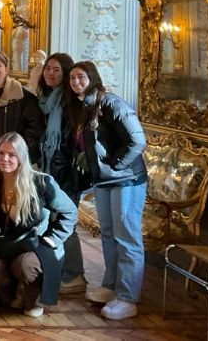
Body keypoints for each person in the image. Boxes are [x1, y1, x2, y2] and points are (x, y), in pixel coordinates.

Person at [60, 61, 147, 320]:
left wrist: (114, 166)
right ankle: (112, 287)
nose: (76, 82)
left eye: (81, 77)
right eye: (72, 78)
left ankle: (128, 298)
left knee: (127, 238)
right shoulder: (85, 107)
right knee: (108, 235)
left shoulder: (111, 103)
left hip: (127, 180)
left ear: (92, 78)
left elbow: (137, 140)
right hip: (104, 181)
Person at [0, 132, 77, 318]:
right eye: (0, 153)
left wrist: (53, 238)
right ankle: (13, 296)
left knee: (25, 265)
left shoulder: (41, 182)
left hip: (37, 246)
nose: (5, 159)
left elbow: (69, 211)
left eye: (11, 154)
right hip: (5, 246)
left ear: (21, 157)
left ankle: (34, 299)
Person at [36, 52, 85, 293]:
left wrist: (61, 176)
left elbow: (69, 144)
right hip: (51, 169)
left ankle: (74, 275)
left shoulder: (68, 103)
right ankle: (58, 268)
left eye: (56, 70)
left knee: (66, 220)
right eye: (48, 69)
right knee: (51, 220)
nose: (50, 73)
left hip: (65, 173)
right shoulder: (48, 100)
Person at [0, 51, 45, 168]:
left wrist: (18, 151)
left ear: (6, 70)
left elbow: (36, 129)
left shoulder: (24, 97)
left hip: (18, 160)